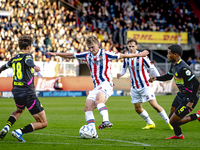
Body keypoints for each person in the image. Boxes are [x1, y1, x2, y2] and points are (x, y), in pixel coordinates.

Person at [46, 35, 149, 138]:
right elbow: (70, 55)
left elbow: (123, 56)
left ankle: (106, 121)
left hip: (106, 83)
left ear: (98, 45)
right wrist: (56, 54)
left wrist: (140, 54)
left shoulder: (105, 54)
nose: (91, 50)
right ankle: (93, 132)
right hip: (96, 86)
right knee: (87, 107)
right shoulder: (87, 55)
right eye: (89, 48)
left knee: (98, 100)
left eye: (93, 47)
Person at [117, 39, 173, 130]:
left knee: (154, 105)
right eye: (129, 46)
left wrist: (160, 81)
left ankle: (169, 122)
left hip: (144, 85)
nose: (131, 48)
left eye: (133, 46)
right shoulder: (126, 57)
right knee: (137, 108)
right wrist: (120, 73)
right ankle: (150, 123)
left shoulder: (142, 57)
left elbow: (153, 68)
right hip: (134, 87)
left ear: (136, 46)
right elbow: (124, 68)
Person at [0, 35, 47, 142]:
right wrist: (34, 66)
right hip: (28, 92)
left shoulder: (14, 58)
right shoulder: (27, 56)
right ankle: (19, 131)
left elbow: (3, 67)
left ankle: (6, 127)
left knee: (19, 110)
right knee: (43, 122)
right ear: (28, 47)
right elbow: (28, 61)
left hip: (16, 92)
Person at [149, 44, 200, 139]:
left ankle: (197, 115)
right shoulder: (174, 65)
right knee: (171, 117)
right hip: (181, 95)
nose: (167, 55)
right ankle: (179, 135)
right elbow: (168, 76)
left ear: (175, 55)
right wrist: (156, 78)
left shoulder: (183, 68)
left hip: (189, 98)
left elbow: (196, 83)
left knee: (173, 121)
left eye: (169, 54)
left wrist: (191, 101)